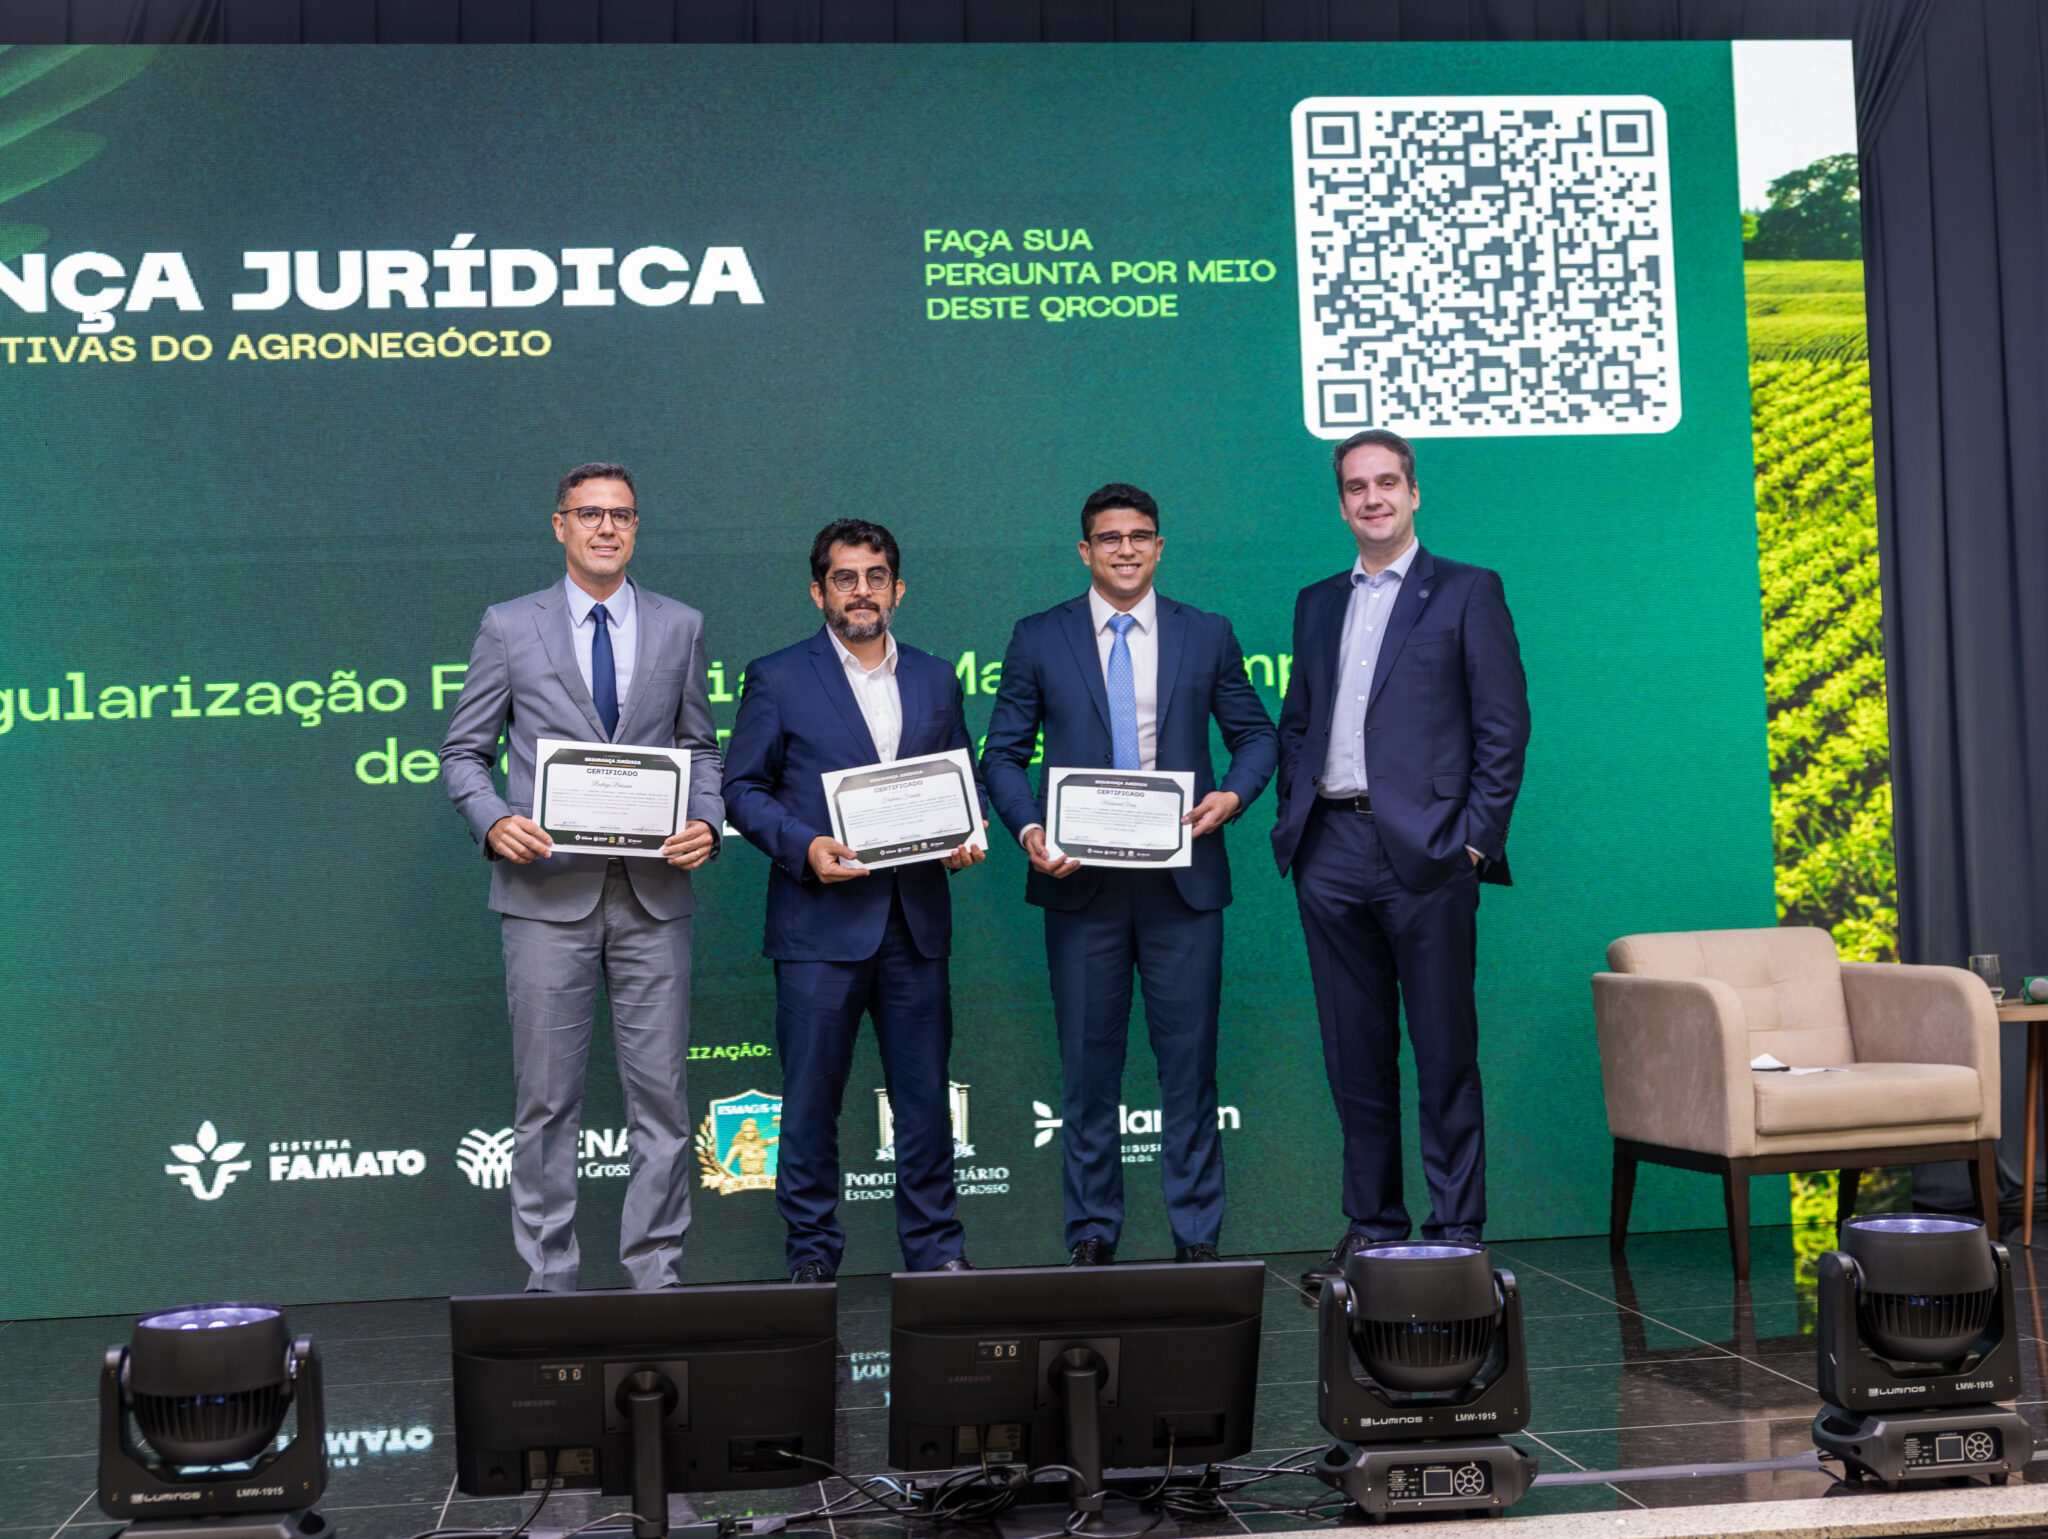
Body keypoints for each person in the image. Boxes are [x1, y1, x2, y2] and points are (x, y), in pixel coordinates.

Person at [440, 462, 724, 1292]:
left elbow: (701, 748)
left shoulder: (680, 624)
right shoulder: (508, 625)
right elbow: (463, 753)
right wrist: (494, 820)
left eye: (621, 515)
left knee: (662, 1101)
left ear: (636, 528)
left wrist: (707, 820)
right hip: (543, 896)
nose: (606, 527)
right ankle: (549, 1281)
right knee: (546, 1102)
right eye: (589, 513)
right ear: (559, 524)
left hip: (653, 896)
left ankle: (657, 1275)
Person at [982, 483, 1277, 1266]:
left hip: (1184, 883)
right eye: (1109, 537)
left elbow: (1256, 736)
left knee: (1190, 1069)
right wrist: (1030, 828)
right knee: (1087, 1070)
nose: (1125, 549)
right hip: (1080, 884)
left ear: (1159, 546)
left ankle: (1197, 1237)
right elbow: (1002, 755)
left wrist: (1232, 796)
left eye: (1139, 535)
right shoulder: (1038, 636)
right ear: (1085, 550)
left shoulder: (1206, 632)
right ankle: (1091, 1232)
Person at [1271, 429, 1530, 1290]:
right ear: (1341, 502)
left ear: (1414, 493)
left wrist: (1474, 840)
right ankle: (1374, 1226)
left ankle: (1456, 1231)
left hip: (1429, 853)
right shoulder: (1317, 602)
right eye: (1357, 486)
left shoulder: (1467, 589)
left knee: (1445, 1050)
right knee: (1355, 1055)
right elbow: (1299, 722)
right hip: (1331, 849)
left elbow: (1503, 726)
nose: (1372, 497)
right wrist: (1297, 820)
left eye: (1387, 482)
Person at [722, 519, 985, 1283]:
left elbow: (959, 778)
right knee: (810, 1103)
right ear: (819, 592)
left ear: (897, 589)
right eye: (845, 578)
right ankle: (811, 1257)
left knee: (925, 1102)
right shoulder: (778, 676)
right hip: (818, 925)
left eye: (875, 577)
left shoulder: (936, 677)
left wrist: (965, 832)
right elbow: (741, 788)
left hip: (916, 922)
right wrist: (804, 845)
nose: (861, 591)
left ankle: (937, 1251)